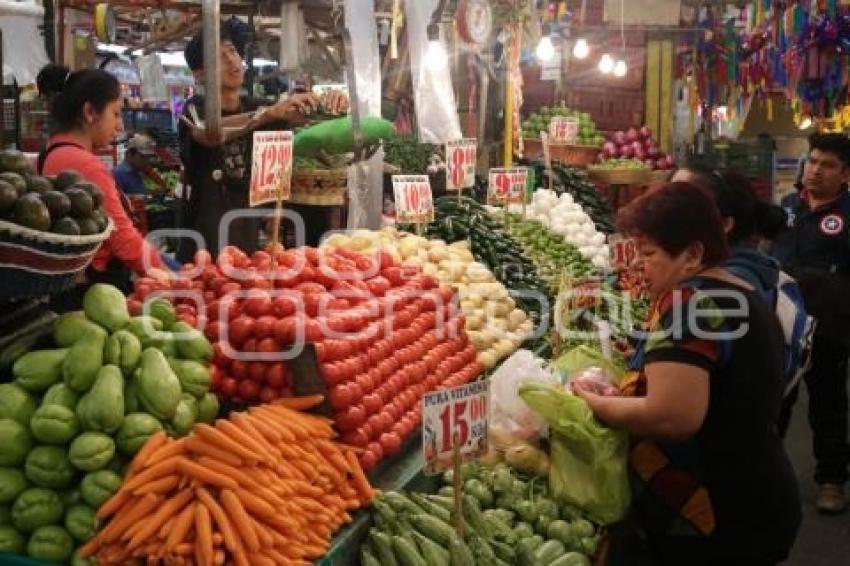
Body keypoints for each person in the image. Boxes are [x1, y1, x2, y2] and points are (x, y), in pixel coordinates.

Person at [576, 183, 801, 565]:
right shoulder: (735, 288)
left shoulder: (691, 304)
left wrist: (593, 403)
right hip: (754, 495)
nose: (637, 265)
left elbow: (671, 417)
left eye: (648, 253)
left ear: (693, 254)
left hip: (716, 517)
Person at [177, 22, 348, 261]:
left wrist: (330, 104)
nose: (231, 61)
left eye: (232, 51)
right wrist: (267, 114)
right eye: (219, 56)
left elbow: (308, 122)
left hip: (246, 238)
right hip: (202, 243)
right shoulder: (193, 109)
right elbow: (207, 133)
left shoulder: (258, 106)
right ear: (200, 74)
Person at [671, 165, 813, 397]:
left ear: (725, 224)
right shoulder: (751, 266)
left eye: (681, 206)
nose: (666, 213)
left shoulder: (725, 287)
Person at [36, 64, 172, 293]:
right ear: (90, 112)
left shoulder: (53, 150)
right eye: (115, 113)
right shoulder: (84, 164)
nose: (120, 125)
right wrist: (170, 277)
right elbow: (123, 239)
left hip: (71, 286)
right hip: (92, 290)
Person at [772, 133, 850, 514]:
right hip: (783, 324)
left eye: (828, 164)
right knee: (775, 401)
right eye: (813, 161)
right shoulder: (787, 206)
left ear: (845, 174)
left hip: (829, 327)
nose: (816, 170)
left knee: (828, 403)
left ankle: (832, 480)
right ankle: (765, 475)